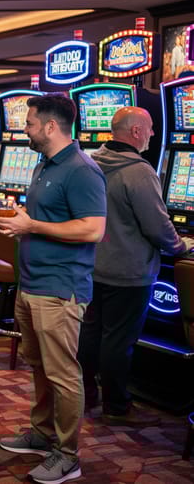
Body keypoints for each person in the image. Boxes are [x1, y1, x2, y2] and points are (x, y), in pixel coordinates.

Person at [0, 94, 106, 484]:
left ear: (51, 126)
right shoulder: (45, 164)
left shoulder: (81, 169)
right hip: (32, 282)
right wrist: (21, 223)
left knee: (63, 373)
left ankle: (68, 454)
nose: (24, 128)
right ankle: (42, 434)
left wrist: (32, 227)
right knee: (39, 366)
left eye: (29, 123)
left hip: (60, 287)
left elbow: (93, 228)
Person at [79, 107, 192, 426]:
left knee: (90, 333)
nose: (155, 134)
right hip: (127, 271)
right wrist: (181, 245)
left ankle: (87, 393)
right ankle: (117, 405)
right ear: (137, 132)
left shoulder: (90, 162)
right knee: (118, 340)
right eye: (151, 128)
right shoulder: (139, 171)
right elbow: (157, 226)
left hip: (91, 264)